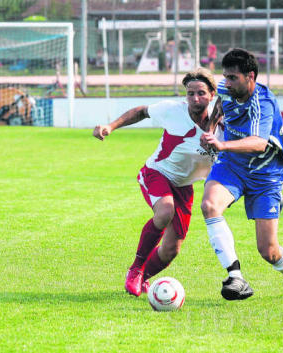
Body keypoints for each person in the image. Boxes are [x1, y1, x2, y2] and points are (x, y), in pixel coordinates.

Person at [93, 68, 222, 297]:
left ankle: (144, 278)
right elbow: (141, 112)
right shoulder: (173, 111)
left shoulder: (223, 122)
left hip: (184, 185)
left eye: (201, 93)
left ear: (212, 94)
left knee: (172, 250)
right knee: (165, 212)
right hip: (157, 173)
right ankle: (135, 269)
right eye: (190, 93)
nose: (194, 98)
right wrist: (110, 126)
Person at [200, 48, 283, 301]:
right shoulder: (227, 89)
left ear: (250, 76)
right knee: (209, 205)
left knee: (268, 251)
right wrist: (211, 128)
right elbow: (219, 105)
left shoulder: (263, 101)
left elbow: (259, 143)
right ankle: (235, 277)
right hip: (232, 166)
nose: (226, 82)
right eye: (225, 76)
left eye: (233, 78)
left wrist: (222, 144)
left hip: (265, 176)